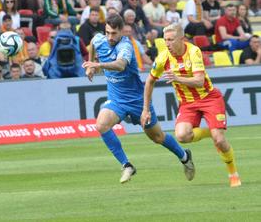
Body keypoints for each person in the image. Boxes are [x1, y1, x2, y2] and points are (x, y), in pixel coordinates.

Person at [82, 14, 195, 184]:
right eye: (107, 32)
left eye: (114, 33)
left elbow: (120, 65)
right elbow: (92, 44)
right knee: (101, 125)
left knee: (158, 137)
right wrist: (90, 65)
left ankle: (185, 157)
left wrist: (98, 65)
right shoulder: (99, 39)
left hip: (138, 100)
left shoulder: (125, 46)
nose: (110, 37)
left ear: (122, 32)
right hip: (116, 99)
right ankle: (127, 165)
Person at [141, 23, 241, 187]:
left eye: (171, 40)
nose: (167, 44)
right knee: (182, 136)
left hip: (209, 98)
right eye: (165, 40)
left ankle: (233, 173)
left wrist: (177, 78)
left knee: (220, 141)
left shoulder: (194, 51)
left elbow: (199, 81)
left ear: (182, 39)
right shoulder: (163, 58)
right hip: (187, 103)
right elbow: (149, 81)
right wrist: (145, 109)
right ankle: (211, 133)